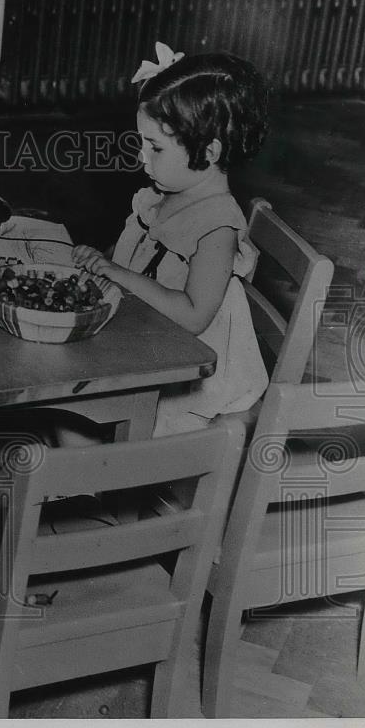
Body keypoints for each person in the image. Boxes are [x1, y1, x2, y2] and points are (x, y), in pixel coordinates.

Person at [73, 44, 270, 436]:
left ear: (209, 151)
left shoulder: (217, 227)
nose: (142, 158)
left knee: (66, 410)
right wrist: (100, 262)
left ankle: (92, 482)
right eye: (142, 143)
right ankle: (82, 479)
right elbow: (137, 254)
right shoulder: (160, 197)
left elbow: (194, 315)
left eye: (155, 147)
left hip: (188, 387)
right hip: (147, 340)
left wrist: (116, 274)